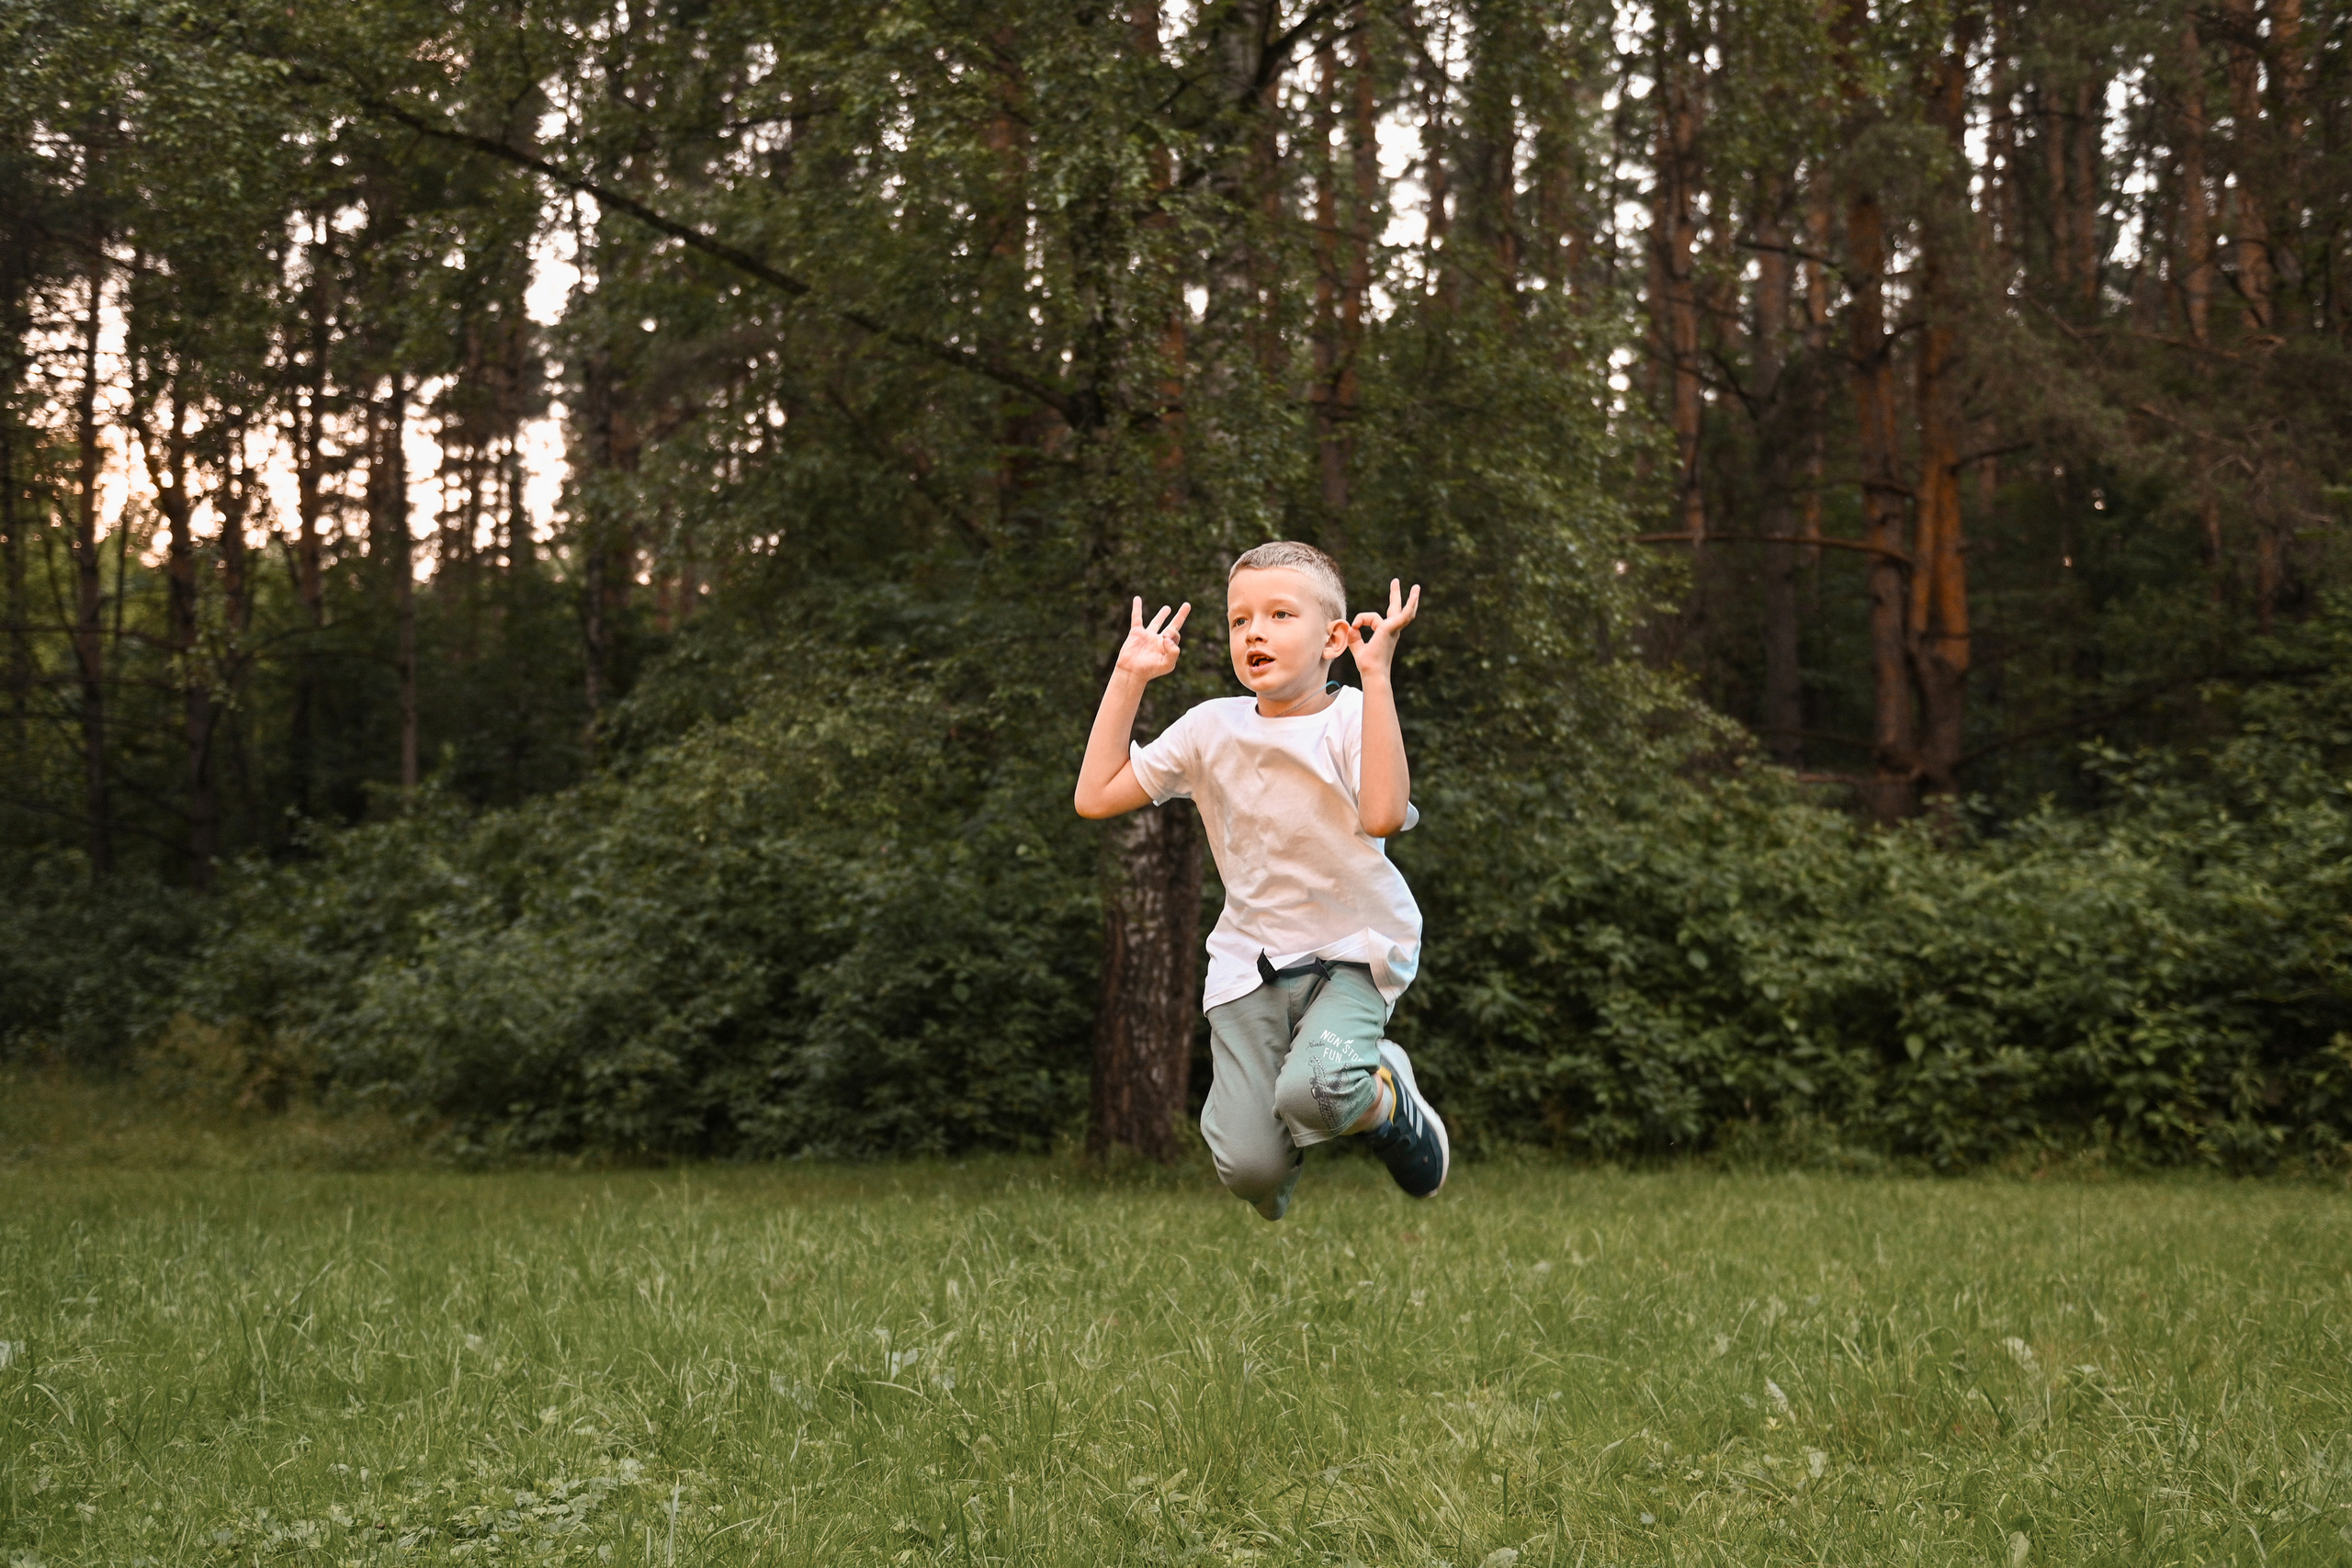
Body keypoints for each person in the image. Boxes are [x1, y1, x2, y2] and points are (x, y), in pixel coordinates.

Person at [1073, 540, 1447, 1220]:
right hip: (1251, 965)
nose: (1255, 632)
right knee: (1250, 1171)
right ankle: (1298, 1140)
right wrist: (1128, 676)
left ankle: (1386, 1099)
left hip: (1353, 953)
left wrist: (1378, 679)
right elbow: (1095, 795)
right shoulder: (1208, 728)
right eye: (1240, 619)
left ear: (1333, 639)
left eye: (1279, 615)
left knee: (1317, 1092)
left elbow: (1384, 815)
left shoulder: (1352, 716)